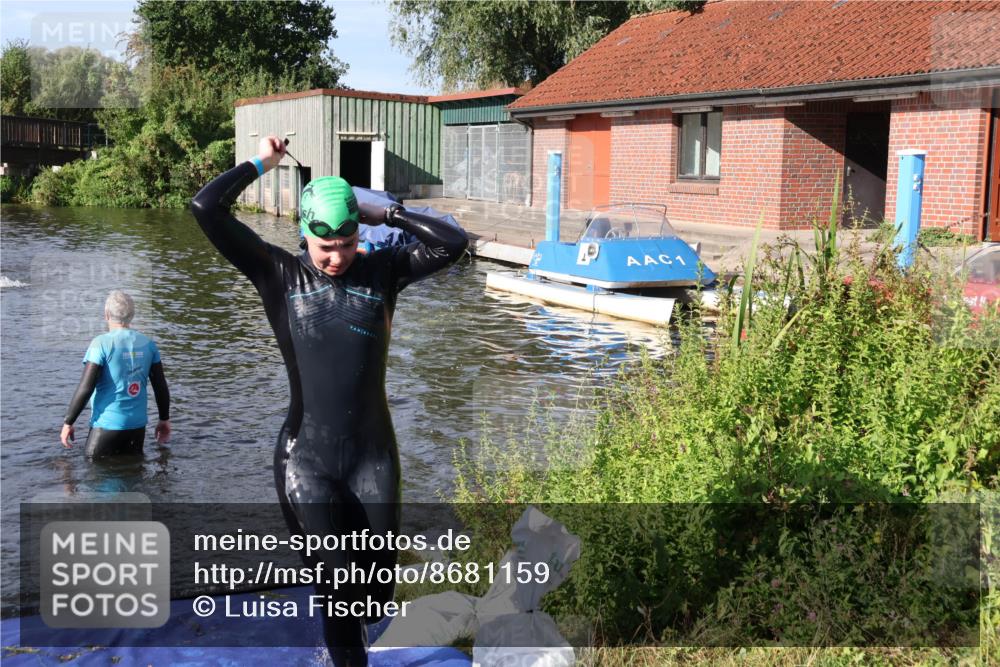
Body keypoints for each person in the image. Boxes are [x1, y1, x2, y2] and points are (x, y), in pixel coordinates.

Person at [190, 136, 468, 666]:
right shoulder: (278, 274)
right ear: (304, 235)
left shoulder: (383, 272)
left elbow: (451, 244)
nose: (337, 256)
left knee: (375, 595)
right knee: (338, 585)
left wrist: (389, 212)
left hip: (373, 456)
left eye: (347, 243)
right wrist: (263, 163)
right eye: (325, 247)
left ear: (360, 233)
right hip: (307, 460)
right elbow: (206, 207)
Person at [61, 290, 171, 458]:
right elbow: (160, 386)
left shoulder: (100, 344)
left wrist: (68, 422)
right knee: (133, 472)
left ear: (106, 314)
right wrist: (164, 419)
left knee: (93, 471)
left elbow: (86, 387)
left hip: (106, 427)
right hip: (137, 428)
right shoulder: (149, 344)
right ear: (132, 316)